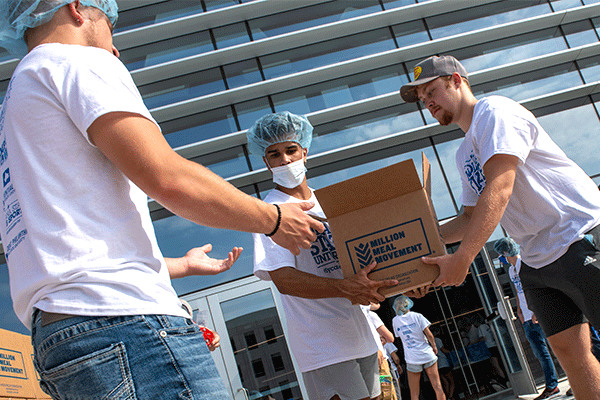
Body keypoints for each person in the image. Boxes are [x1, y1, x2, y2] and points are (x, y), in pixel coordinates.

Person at [0, 1, 326, 399]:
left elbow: (67, 247)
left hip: (60, 337)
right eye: (111, 25)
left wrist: (178, 265)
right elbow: (167, 178)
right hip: (121, 323)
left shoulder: (17, 102)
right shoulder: (74, 62)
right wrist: (273, 219)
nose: (115, 49)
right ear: (78, 9)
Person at [400, 54, 600, 400]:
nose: (428, 102)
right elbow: (468, 218)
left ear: (458, 81)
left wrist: (463, 257)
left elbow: (500, 186)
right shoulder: (465, 153)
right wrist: (418, 252)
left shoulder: (495, 113)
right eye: (423, 100)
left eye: (432, 91)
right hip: (537, 261)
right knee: (573, 357)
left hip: (578, 236)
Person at [249, 111, 398, 400]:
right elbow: (284, 280)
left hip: (361, 337)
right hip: (323, 346)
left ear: (304, 151)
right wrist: (344, 288)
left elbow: (361, 260)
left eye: (291, 150)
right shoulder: (269, 213)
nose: (285, 160)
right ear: (266, 162)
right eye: (274, 154)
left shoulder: (331, 203)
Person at [495, 237, 560, 399]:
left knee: (559, 349)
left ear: (505, 252)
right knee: (540, 353)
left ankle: (575, 380)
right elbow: (519, 291)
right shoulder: (511, 270)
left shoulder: (526, 264)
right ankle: (552, 386)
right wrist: (519, 309)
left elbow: (537, 288)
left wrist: (536, 310)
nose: (500, 258)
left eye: (500, 254)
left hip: (538, 314)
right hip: (527, 318)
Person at [391, 295, 446, 400]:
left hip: (412, 358)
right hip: (426, 354)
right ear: (409, 304)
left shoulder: (395, 320)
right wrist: (434, 346)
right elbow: (429, 334)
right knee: (438, 387)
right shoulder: (417, 316)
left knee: (414, 393)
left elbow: (398, 335)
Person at [430, 326, 455, 400]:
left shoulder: (429, 342)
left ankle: (447, 397)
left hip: (437, 365)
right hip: (444, 363)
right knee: (452, 382)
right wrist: (452, 352)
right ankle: (450, 397)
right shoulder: (437, 340)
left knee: (445, 383)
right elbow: (443, 350)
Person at [382, 335, 404, 400]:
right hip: (392, 370)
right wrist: (398, 365)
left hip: (383, 371)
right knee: (397, 390)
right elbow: (395, 358)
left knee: (387, 391)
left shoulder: (374, 344)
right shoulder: (387, 342)